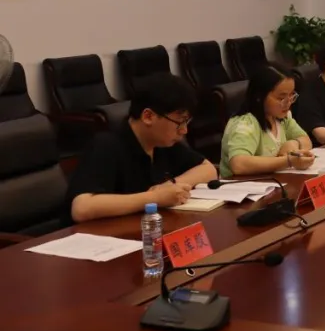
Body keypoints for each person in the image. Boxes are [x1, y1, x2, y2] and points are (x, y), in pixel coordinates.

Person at [66, 73, 218, 223]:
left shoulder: (162, 142)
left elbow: (208, 169)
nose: (184, 130)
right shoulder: (106, 144)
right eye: (179, 122)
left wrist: (169, 187)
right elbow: (82, 208)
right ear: (148, 117)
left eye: (187, 122)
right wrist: (154, 198)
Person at [219, 64, 315, 178]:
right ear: (259, 96)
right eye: (281, 98)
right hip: (241, 185)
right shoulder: (245, 124)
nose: (288, 103)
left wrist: (294, 143)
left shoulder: (282, 117)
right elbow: (238, 164)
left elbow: (306, 140)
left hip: (273, 181)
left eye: (291, 95)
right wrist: (288, 161)